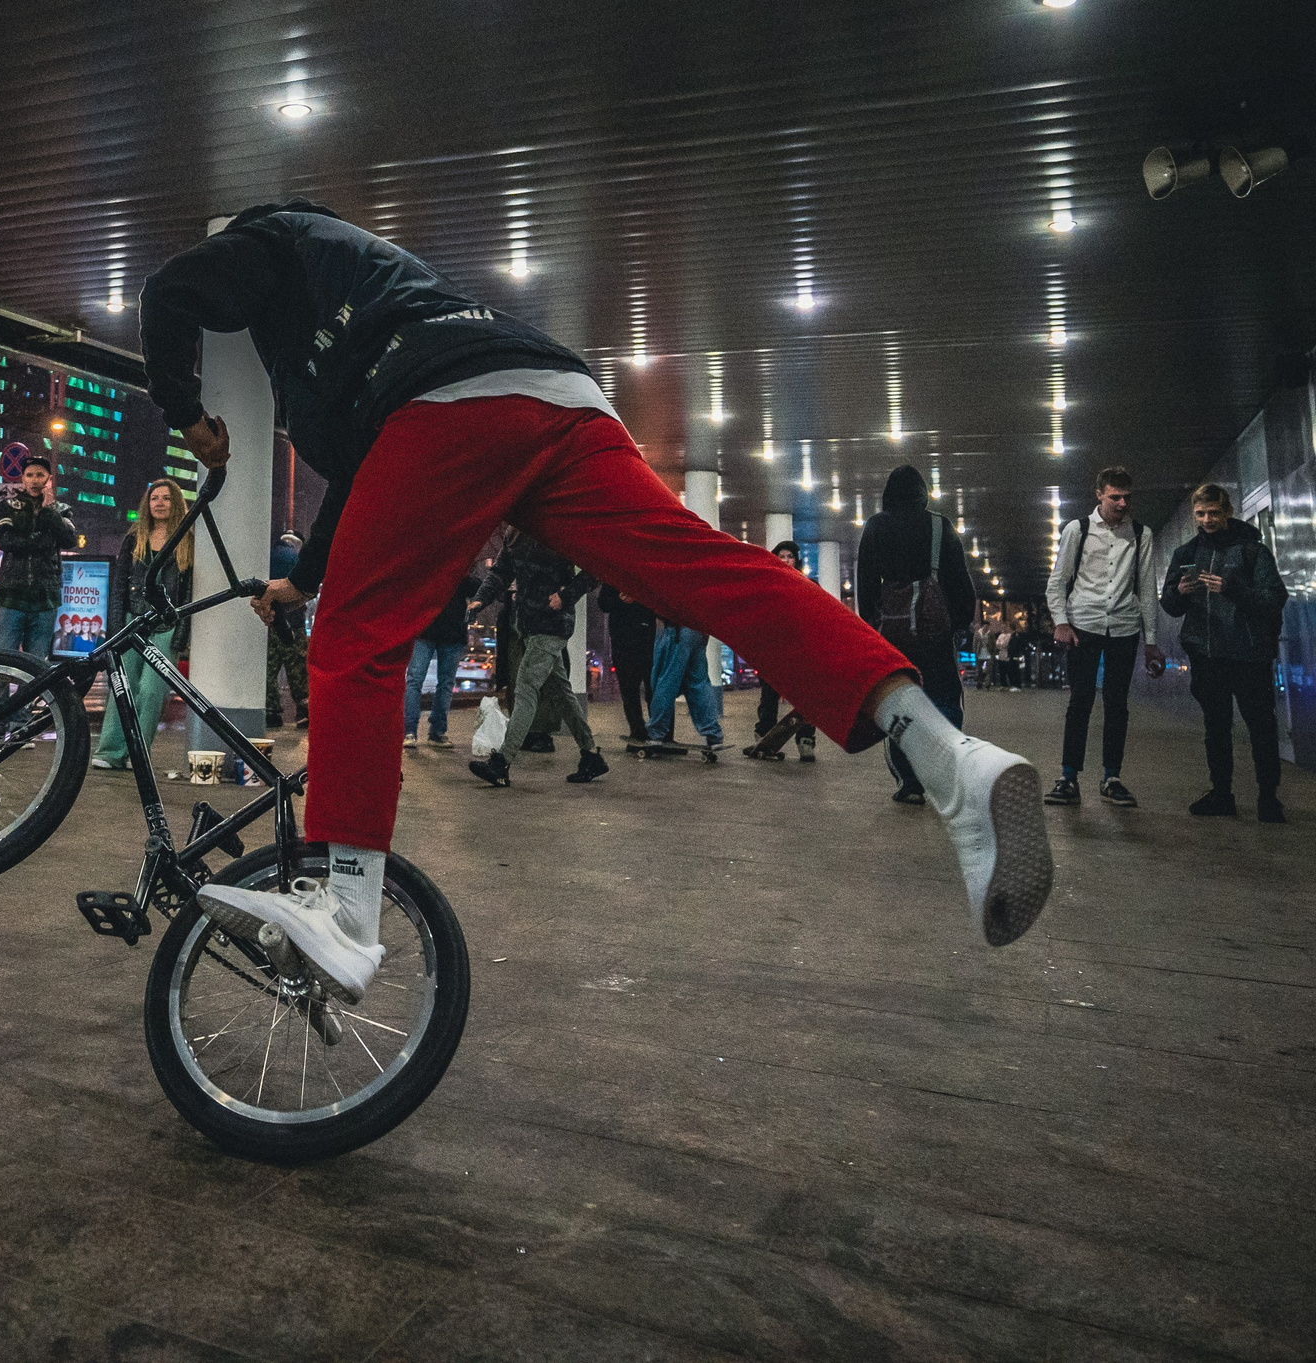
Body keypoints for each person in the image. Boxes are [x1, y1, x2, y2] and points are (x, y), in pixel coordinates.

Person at [140, 199, 1051, 1007]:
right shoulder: (374, 296)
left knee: (354, 641)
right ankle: (949, 757)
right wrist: (302, 581)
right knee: (710, 572)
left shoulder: (274, 239)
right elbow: (368, 481)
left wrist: (186, 414)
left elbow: (166, 294)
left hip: (455, 397)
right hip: (561, 398)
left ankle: (342, 904)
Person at [1161, 483, 1288, 821]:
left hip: (1248, 654)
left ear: (1227, 511)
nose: (1207, 520)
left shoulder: (1252, 552)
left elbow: (1274, 598)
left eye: (1213, 513)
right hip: (1206, 654)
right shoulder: (1185, 554)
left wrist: (1233, 589)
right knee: (1215, 728)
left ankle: (1268, 797)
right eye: (1200, 514)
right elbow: (1170, 606)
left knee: (1260, 726)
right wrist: (1180, 592)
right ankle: (1221, 794)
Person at [1043, 466, 1165, 807]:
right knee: (1079, 701)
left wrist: (1151, 640)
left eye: (1127, 497)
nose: (1122, 503)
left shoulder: (1141, 534)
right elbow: (1058, 580)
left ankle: (1112, 777)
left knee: (1117, 705)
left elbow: (1146, 589)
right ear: (1099, 495)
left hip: (1124, 627)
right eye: (1115, 497)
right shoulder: (1077, 530)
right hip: (1084, 624)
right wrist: (1061, 622)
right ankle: (1068, 777)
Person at [856, 465, 976, 806]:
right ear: (922, 493)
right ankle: (945, 771)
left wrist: (872, 624)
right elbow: (958, 579)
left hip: (894, 635)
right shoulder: (939, 526)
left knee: (900, 702)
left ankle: (909, 782)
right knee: (944, 700)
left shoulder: (876, 527)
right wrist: (960, 622)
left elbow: (865, 582)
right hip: (935, 633)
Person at [469, 529, 605, 783]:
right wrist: (479, 600)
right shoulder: (515, 534)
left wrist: (567, 595)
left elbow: (596, 568)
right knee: (562, 694)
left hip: (552, 625)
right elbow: (500, 572)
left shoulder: (557, 528)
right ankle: (591, 756)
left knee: (526, 688)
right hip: (528, 624)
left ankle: (501, 763)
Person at [93, 477, 194, 769]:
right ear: (146, 504)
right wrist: (115, 628)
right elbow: (119, 587)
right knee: (122, 687)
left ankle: (136, 755)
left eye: (166, 498)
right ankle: (110, 752)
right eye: (154, 498)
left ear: (176, 504)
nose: (160, 503)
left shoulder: (186, 540)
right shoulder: (133, 538)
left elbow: (187, 594)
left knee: (151, 692)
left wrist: (180, 636)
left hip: (166, 626)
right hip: (131, 621)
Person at [0, 451, 77, 658]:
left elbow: (69, 541)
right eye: (29, 475)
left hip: (45, 598)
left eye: (40, 475)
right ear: (22, 479)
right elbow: (5, 541)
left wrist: (48, 510)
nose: (34, 480)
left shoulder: (62, 510)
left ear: (49, 479)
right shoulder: (8, 507)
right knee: (1, 663)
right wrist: (40, 540)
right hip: (11, 596)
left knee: (36, 667)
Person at [745, 540, 821, 762]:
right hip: (773, 649)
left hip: (800, 651)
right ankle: (764, 738)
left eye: (789, 556)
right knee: (768, 696)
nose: (786, 560)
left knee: (805, 698)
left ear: (797, 559)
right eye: (781, 556)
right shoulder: (767, 584)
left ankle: (806, 741)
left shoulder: (808, 585)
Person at [402, 577, 475, 750]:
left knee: (415, 681)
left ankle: (410, 732)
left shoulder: (431, 566)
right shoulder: (459, 571)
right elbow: (475, 588)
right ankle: (435, 732)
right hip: (450, 632)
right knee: (443, 684)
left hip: (427, 629)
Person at [593, 580, 658, 742]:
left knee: (649, 687)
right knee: (634, 687)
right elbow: (603, 603)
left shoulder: (619, 577)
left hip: (641, 636)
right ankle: (642, 731)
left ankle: (653, 731)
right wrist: (619, 599)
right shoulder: (614, 578)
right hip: (629, 636)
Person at [645, 620, 724, 749]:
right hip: (700, 631)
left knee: (667, 682)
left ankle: (656, 733)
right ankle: (714, 736)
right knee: (699, 684)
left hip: (677, 629)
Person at [265, 530, 310, 727]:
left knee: (269, 670)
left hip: (270, 622)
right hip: (295, 623)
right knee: (297, 671)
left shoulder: (268, 555)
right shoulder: (299, 558)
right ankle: (304, 712)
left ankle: (272, 711)